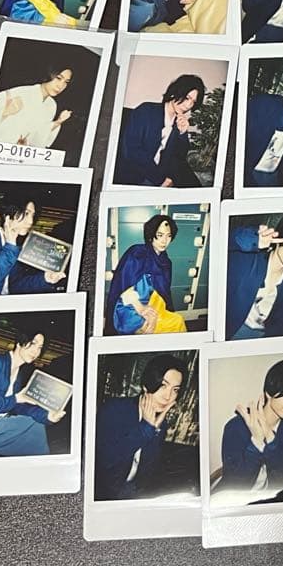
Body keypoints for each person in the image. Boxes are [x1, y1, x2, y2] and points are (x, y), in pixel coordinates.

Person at [94, 354, 187, 501]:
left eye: (175, 390)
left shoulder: (161, 424)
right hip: (104, 493)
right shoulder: (114, 409)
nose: (168, 396)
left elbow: (148, 472)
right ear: (146, 385)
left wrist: (154, 430)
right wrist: (146, 429)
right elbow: (105, 462)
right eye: (163, 385)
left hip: (133, 494)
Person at [218, 360, 283, 495]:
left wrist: (270, 438)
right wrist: (257, 442)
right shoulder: (236, 427)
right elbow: (236, 485)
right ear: (269, 391)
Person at [0, 329, 64, 457]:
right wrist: (16, 398)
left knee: (36, 423)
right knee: (34, 430)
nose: (36, 351)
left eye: (40, 347)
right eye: (33, 343)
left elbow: (17, 405)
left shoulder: (18, 373)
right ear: (19, 343)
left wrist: (47, 416)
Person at [226, 213, 283, 340]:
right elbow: (220, 242)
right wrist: (253, 239)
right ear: (282, 235)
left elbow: (282, 328)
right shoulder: (248, 260)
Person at [0, 191, 65, 296]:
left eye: (33, 215)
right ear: (7, 215)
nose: (31, 221)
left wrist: (45, 278)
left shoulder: (15, 246)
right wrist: (10, 247)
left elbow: (13, 285)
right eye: (26, 213)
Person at [114, 73, 205, 187]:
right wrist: (160, 179)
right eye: (187, 98)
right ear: (174, 92)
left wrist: (182, 133)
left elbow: (180, 156)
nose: (189, 105)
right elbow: (131, 151)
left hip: (163, 174)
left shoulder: (179, 121)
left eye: (193, 102)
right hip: (136, 175)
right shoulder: (146, 111)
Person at [104, 214, 187, 335]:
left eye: (168, 236)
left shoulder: (165, 262)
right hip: (127, 305)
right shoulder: (137, 253)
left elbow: (162, 293)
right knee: (146, 326)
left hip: (151, 304)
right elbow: (124, 287)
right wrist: (141, 309)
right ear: (151, 235)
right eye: (160, 235)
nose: (164, 241)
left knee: (178, 320)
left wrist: (154, 312)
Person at [0, 65, 74, 149]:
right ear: (48, 74)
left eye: (66, 82)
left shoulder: (51, 105)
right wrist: (4, 114)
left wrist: (58, 122)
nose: (60, 86)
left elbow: (37, 140)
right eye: (58, 78)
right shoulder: (17, 94)